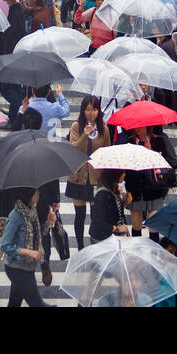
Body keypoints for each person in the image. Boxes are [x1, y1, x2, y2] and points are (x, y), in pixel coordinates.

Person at [67, 95, 110, 250]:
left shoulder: (103, 128)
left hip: (96, 177)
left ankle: (94, 248)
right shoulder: (76, 127)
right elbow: (73, 148)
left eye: (94, 109)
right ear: (83, 111)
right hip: (78, 176)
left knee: (95, 215)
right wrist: (85, 134)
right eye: (88, 109)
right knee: (79, 215)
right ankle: (80, 248)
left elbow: (107, 153)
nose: (91, 113)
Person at [0, 186, 54, 307]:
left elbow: (36, 235)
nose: (38, 194)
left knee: (14, 303)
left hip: (27, 265)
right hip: (17, 267)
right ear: (28, 196)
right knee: (38, 304)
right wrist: (28, 252)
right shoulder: (15, 216)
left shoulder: (32, 211)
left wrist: (47, 224)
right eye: (36, 192)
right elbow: (4, 245)